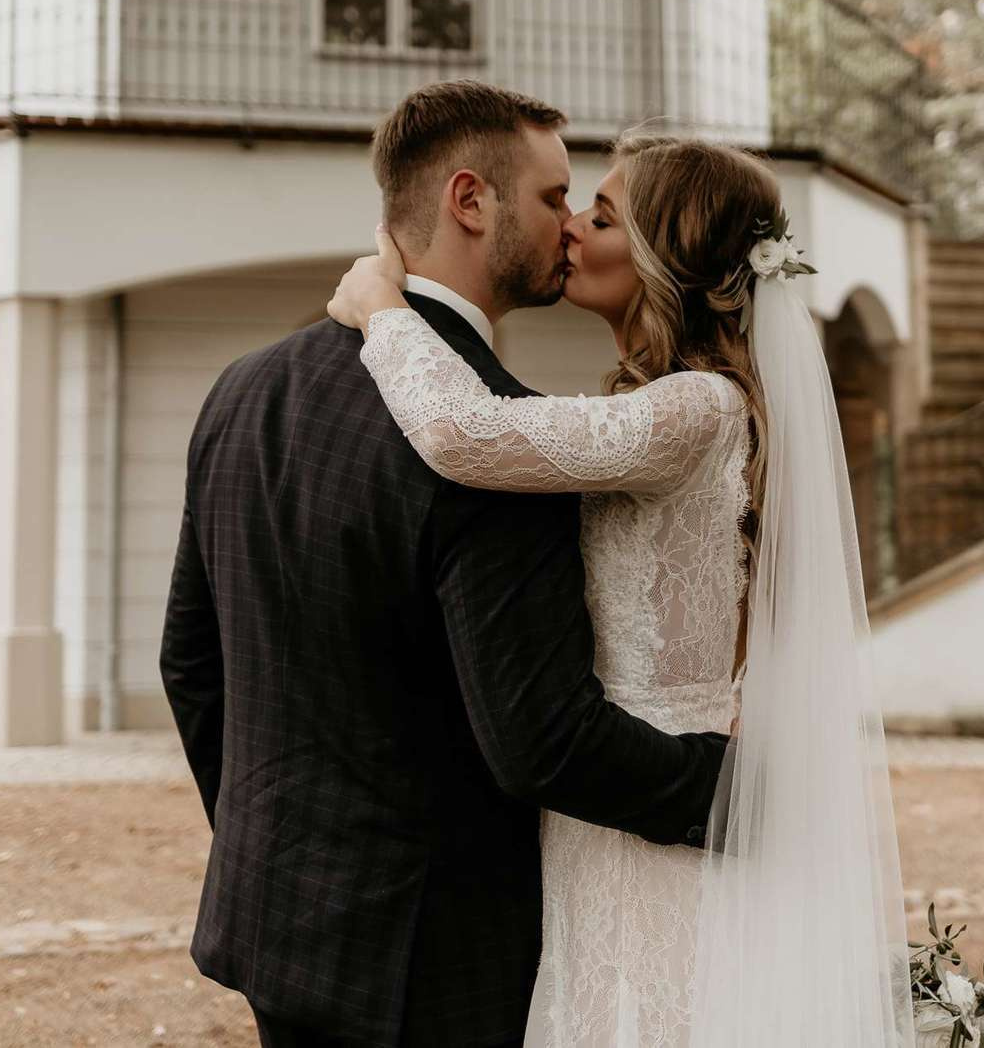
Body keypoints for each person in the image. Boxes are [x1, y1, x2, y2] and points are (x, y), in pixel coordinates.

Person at [160, 81, 731, 1048]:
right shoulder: (500, 447)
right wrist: (729, 790)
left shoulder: (242, 389)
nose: (570, 227)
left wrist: (276, 842)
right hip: (433, 958)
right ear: (472, 200)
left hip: (275, 922)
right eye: (555, 198)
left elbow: (191, 661)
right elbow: (540, 738)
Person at [328, 130, 908, 1046]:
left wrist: (378, 308)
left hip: (649, 803)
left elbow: (461, 431)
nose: (569, 230)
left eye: (600, 215)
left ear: (662, 257)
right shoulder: (674, 403)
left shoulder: (694, 409)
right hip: (613, 803)